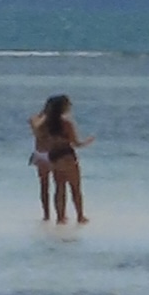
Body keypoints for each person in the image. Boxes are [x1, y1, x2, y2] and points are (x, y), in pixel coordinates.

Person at [31, 95, 92, 223]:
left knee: (59, 188)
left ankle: (60, 217)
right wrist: (87, 142)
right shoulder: (66, 123)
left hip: (54, 157)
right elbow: (75, 143)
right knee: (75, 188)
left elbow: (35, 128)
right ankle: (80, 216)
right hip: (67, 156)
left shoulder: (45, 124)